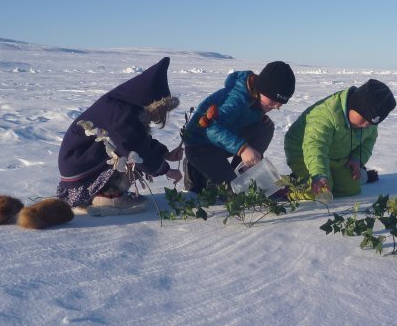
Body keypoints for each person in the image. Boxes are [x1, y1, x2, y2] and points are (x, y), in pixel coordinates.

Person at [57, 57, 183, 211]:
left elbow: (138, 138)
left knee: (131, 155)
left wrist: (164, 154)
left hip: (82, 161)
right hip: (78, 164)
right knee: (130, 157)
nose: (158, 116)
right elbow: (133, 147)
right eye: (159, 110)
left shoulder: (125, 105)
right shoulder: (120, 112)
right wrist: (165, 170)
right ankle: (107, 196)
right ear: (149, 101)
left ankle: (107, 192)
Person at [182, 61, 296, 193]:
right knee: (233, 191)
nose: (276, 106)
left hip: (224, 142)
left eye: (281, 103)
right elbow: (211, 129)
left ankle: (244, 170)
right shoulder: (236, 98)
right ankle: (196, 169)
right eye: (273, 100)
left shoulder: (259, 100)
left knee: (265, 126)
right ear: (262, 89)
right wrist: (243, 149)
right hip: (200, 146)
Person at [284, 79, 396, 198]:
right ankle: (286, 187)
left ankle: (349, 176)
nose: (365, 125)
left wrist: (357, 158)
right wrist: (319, 175)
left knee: (351, 188)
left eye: (370, 123)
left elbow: (369, 140)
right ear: (355, 106)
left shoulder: (369, 122)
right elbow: (315, 145)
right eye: (363, 119)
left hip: (336, 153)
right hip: (303, 151)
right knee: (318, 191)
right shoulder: (326, 114)